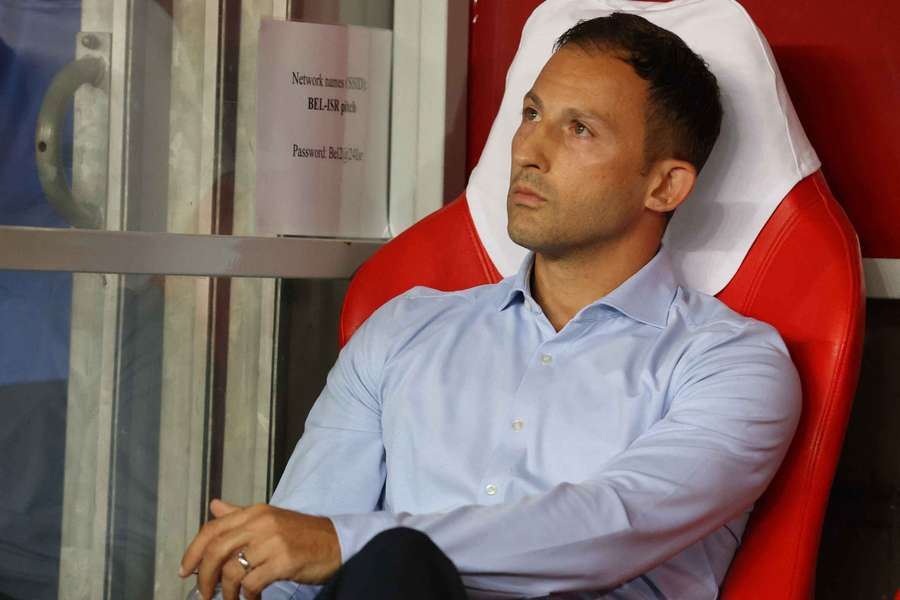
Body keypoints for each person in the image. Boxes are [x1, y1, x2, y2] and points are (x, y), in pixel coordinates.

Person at [180, 13, 801, 600]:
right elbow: (293, 560)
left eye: (579, 129)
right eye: (532, 113)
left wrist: (347, 541)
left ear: (664, 185)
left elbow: (612, 525)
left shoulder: (731, 364)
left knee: (397, 560)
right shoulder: (405, 328)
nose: (529, 149)